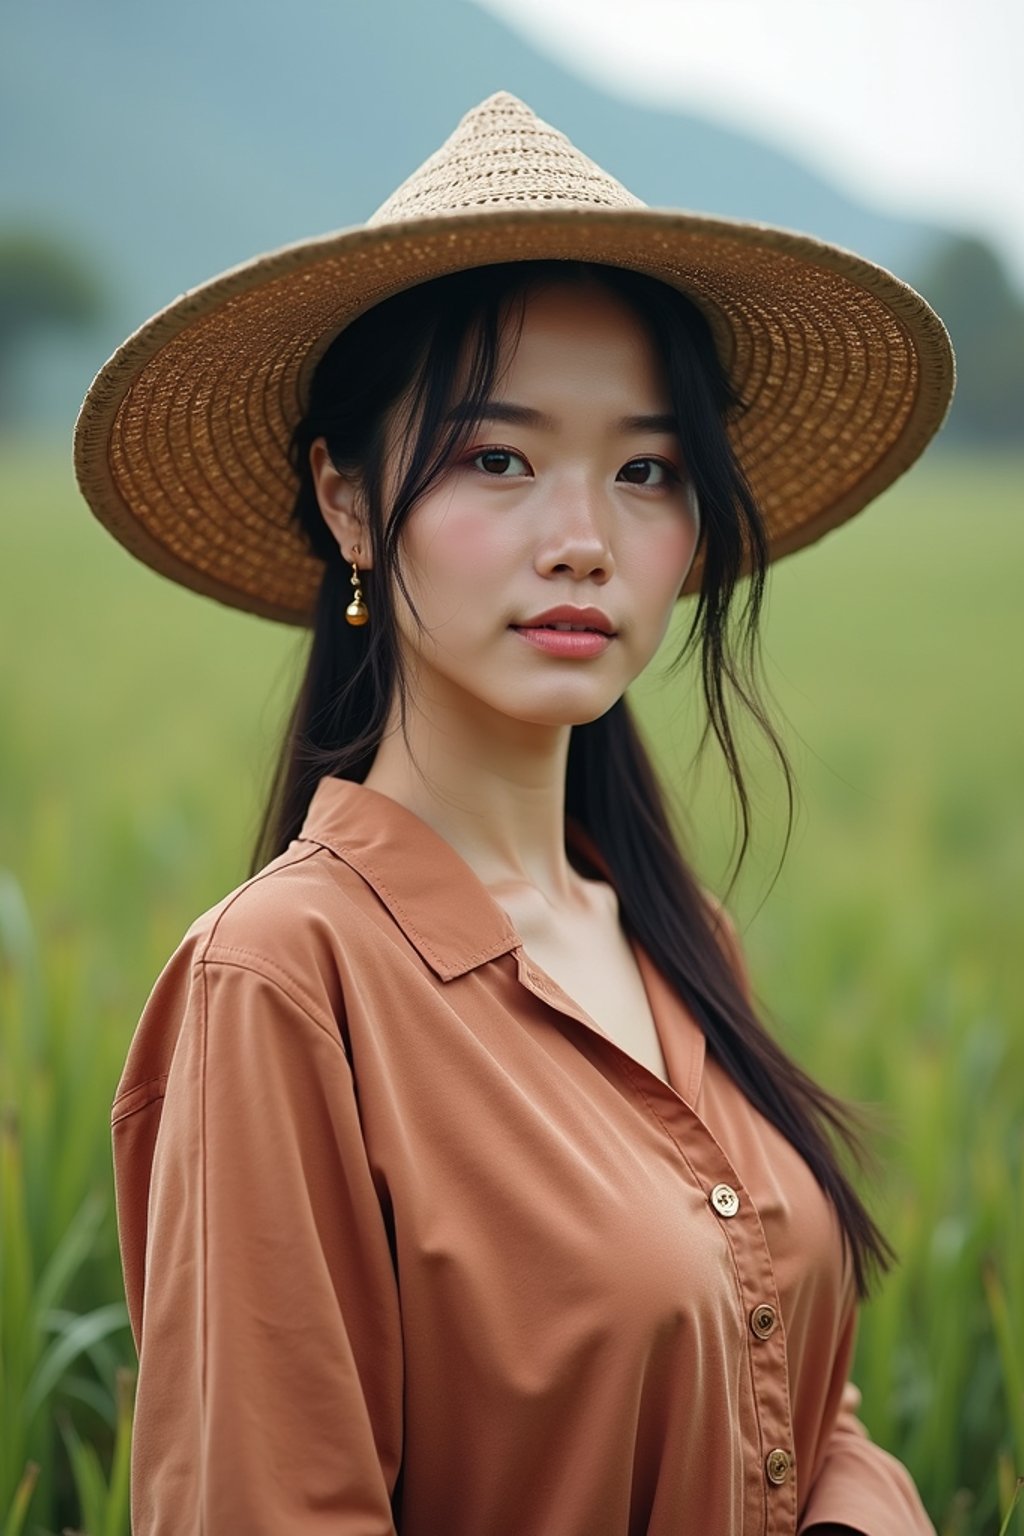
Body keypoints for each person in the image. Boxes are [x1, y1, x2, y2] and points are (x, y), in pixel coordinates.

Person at [75, 92, 954, 1536]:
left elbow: (795, 1403)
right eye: (498, 458)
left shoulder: (682, 941)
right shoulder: (287, 983)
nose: (584, 540)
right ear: (349, 504)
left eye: (646, 470)